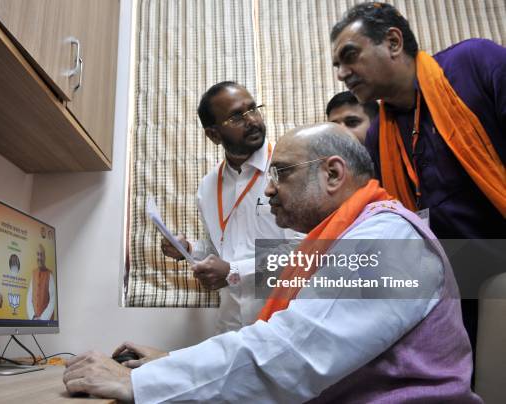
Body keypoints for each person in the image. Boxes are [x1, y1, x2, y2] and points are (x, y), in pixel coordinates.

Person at [63, 124, 479, 403]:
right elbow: (286, 339)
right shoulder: (344, 237)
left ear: (333, 174)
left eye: (281, 173)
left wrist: (137, 382)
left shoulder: (387, 240)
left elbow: (293, 355)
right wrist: (171, 362)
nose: (270, 190)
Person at [330, 0, 506, 364]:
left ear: (393, 42)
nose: (342, 73)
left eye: (350, 56)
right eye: (337, 65)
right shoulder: (381, 130)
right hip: (455, 281)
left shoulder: (473, 63)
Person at [160, 81, 300, 333]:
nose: (253, 121)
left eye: (253, 109)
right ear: (213, 135)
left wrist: (234, 271)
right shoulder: (208, 186)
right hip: (231, 327)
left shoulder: (290, 168)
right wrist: (188, 249)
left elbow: (305, 251)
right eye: (237, 116)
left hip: (284, 326)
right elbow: (220, 249)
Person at [26, 244, 55, 320]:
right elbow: (29, 298)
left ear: (44, 257)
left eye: (41, 254)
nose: (39, 257)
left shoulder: (49, 275)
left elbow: (53, 299)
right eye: (38, 254)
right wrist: (33, 316)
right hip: (34, 321)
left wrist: (42, 318)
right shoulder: (33, 274)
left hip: (46, 322)